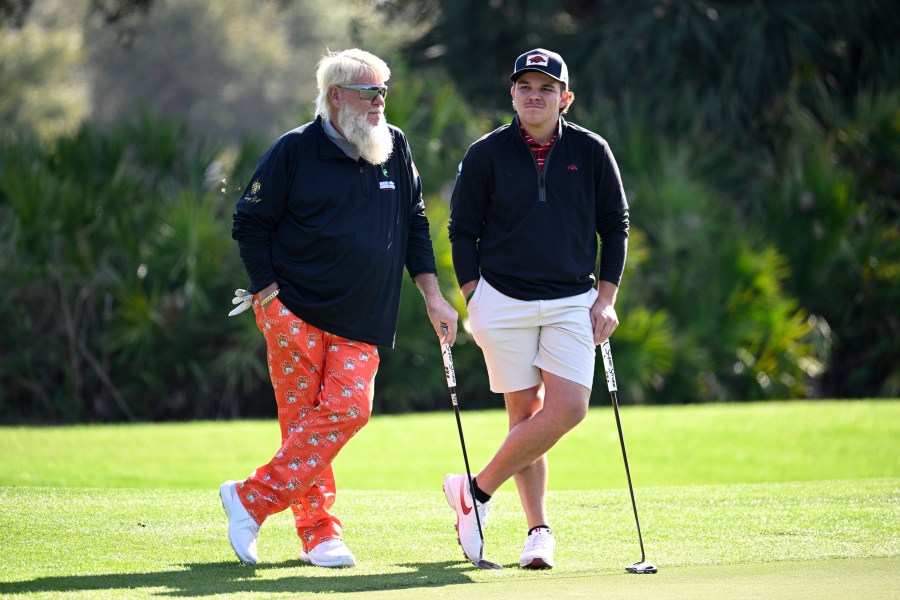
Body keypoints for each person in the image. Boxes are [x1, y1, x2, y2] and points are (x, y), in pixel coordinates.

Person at [223, 48, 458, 568]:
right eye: (369, 92)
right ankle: (320, 534)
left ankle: (250, 499)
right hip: (294, 311)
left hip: (363, 315)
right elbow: (249, 222)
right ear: (336, 96)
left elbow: (414, 222)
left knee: (348, 410)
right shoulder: (293, 151)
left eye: (383, 91)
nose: (380, 102)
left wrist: (433, 295)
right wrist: (269, 297)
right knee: (303, 422)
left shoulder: (393, 145)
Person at [445, 48, 629, 569]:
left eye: (546, 88)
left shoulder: (592, 151)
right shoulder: (487, 153)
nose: (534, 95)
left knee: (568, 408)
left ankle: (473, 493)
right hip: (502, 299)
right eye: (525, 86)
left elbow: (614, 225)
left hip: (574, 298)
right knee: (523, 415)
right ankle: (537, 532)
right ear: (512, 94)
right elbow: (463, 230)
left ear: (564, 98)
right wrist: (472, 295)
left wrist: (608, 298)